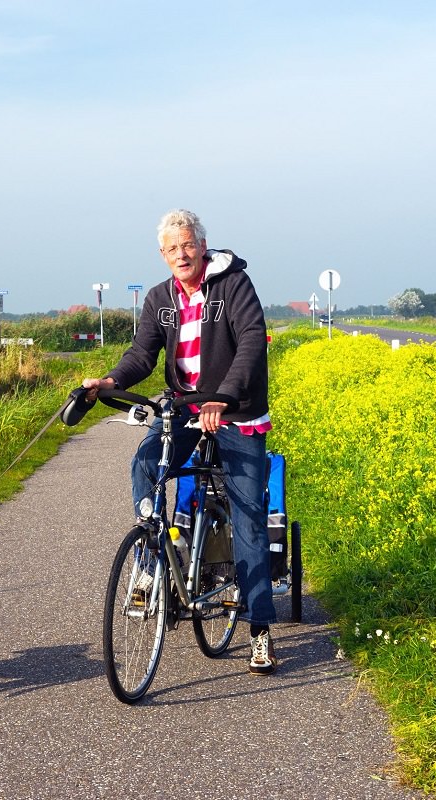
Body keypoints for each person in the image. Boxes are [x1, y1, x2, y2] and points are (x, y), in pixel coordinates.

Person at [81, 208, 278, 675]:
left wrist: (226, 398)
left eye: (187, 245)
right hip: (185, 408)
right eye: (172, 248)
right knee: (146, 466)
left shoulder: (233, 286)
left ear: (202, 246)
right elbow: (142, 354)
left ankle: (259, 631)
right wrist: (110, 380)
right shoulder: (159, 298)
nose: (181, 254)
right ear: (162, 255)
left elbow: (251, 342)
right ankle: (151, 559)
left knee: (248, 518)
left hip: (236, 410)